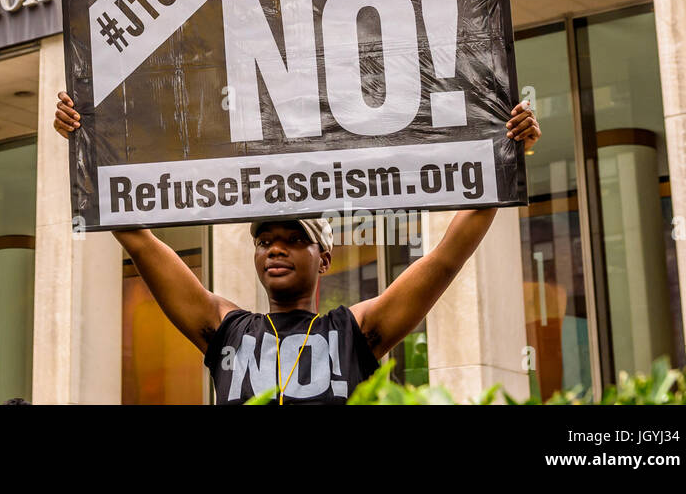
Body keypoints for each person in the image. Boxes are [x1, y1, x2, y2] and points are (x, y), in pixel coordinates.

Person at [53, 92, 541, 404]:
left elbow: (446, 257)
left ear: (323, 257)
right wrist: (83, 141)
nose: (276, 249)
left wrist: (507, 152)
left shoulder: (356, 332)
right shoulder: (225, 328)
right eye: (265, 241)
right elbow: (137, 237)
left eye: (293, 239)